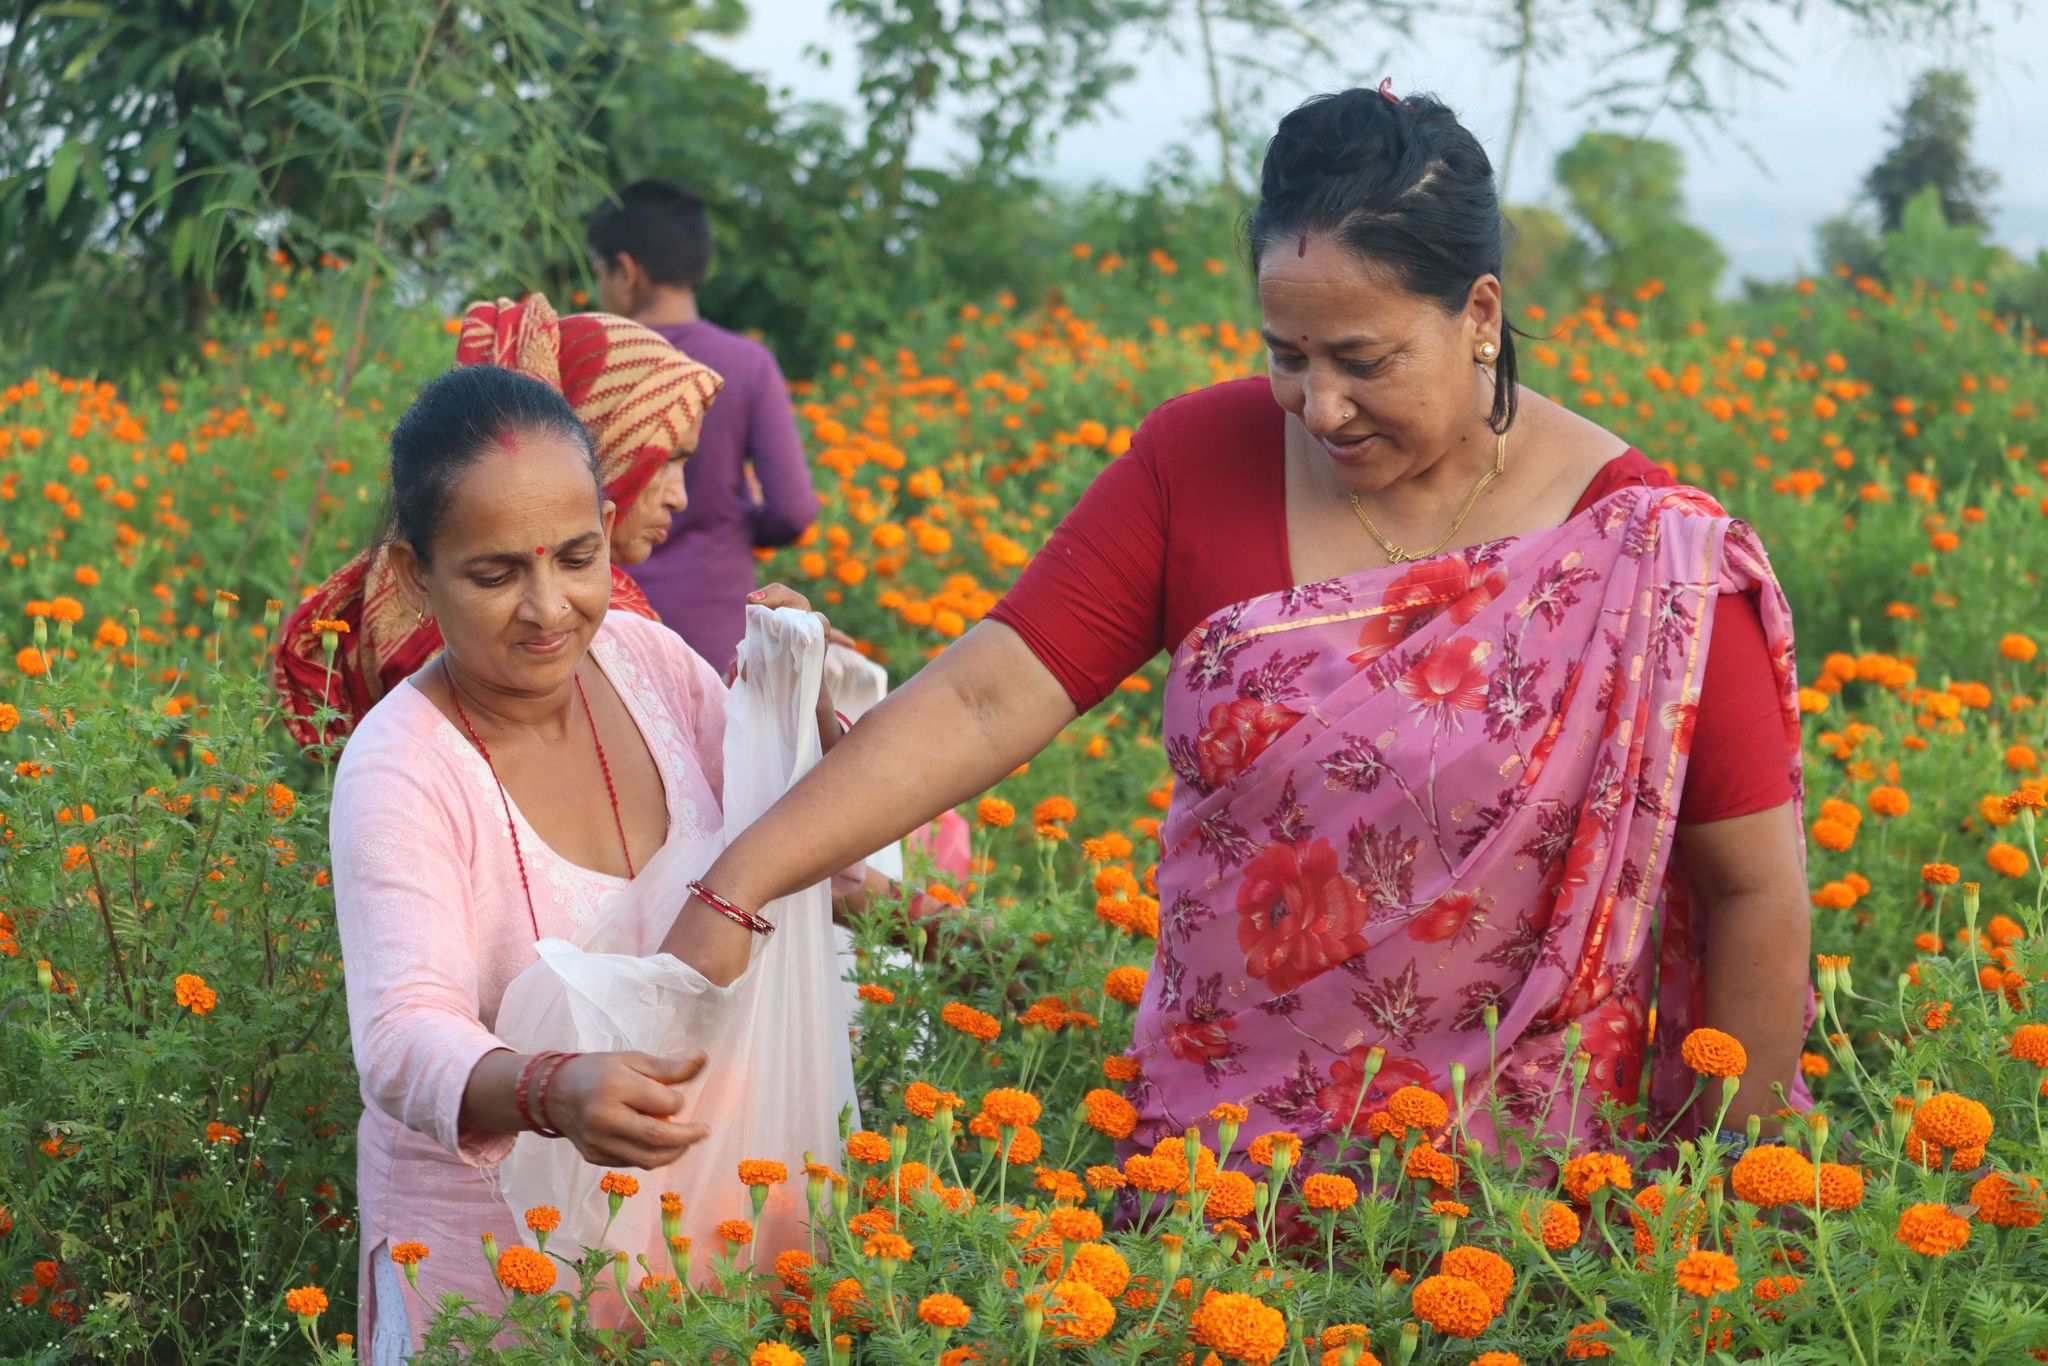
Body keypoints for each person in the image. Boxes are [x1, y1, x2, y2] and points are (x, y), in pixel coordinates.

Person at [655, 87, 1812, 1166]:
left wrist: (1732, 1206)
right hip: (1217, 1186)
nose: (1320, 407)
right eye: (1285, 356)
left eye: (1362, 361)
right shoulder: (1195, 461)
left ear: (1479, 314)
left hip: (1527, 1198)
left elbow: (1751, 886)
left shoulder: (1642, 554)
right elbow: (985, 695)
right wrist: (739, 881)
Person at [327, 362, 847, 1356]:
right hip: (489, 1267)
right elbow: (399, 1036)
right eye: (494, 573)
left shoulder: (645, 665)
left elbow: (776, 836)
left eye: (576, 556)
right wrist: (548, 1088)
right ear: (411, 575)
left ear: (610, 527)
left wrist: (800, 712)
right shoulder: (402, 768)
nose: (550, 606)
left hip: (690, 1229)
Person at [274, 294, 722, 748]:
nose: (679, 497)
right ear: (603, 439)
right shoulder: (582, 635)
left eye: (579, 557)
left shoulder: (641, 645)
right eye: (664, 459)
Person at [587, 177, 820, 674]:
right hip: (715, 631)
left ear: (626, 271)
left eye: (599, 274)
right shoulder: (747, 363)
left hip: (604, 623)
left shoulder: (597, 366)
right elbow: (794, 510)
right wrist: (727, 517)